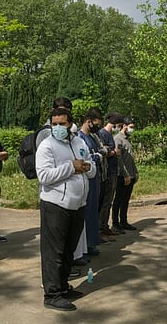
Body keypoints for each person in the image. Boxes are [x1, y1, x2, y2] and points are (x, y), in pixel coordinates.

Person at [36, 107, 96, 311]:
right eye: (54, 124)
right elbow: (44, 176)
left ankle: (63, 286)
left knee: (69, 249)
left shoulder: (79, 142)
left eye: (62, 123)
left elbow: (91, 167)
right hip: (55, 205)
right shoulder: (47, 146)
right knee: (54, 251)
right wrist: (71, 167)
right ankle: (51, 294)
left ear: (70, 124)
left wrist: (87, 167)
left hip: (78, 204)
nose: (58, 127)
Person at [77, 108, 103, 255]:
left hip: (95, 178)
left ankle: (92, 243)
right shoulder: (80, 138)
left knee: (93, 211)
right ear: (89, 121)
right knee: (87, 213)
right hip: (87, 180)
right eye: (96, 123)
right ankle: (84, 247)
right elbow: (84, 160)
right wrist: (97, 157)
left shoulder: (92, 137)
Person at [98, 112, 124, 236]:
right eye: (119, 125)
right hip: (108, 171)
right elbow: (103, 152)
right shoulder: (103, 134)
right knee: (106, 200)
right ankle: (102, 227)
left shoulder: (109, 134)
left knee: (109, 200)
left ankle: (104, 225)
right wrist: (114, 152)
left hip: (113, 170)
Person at [112, 117, 138, 232]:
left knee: (126, 200)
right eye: (130, 127)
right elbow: (119, 159)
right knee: (118, 199)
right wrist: (126, 174)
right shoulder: (118, 139)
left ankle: (123, 221)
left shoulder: (127, 139)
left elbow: (130, 158)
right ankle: (115, 223)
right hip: (121, 175)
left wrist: (135, 173)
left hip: (130, 174)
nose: (132, 129)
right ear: (124, 126)